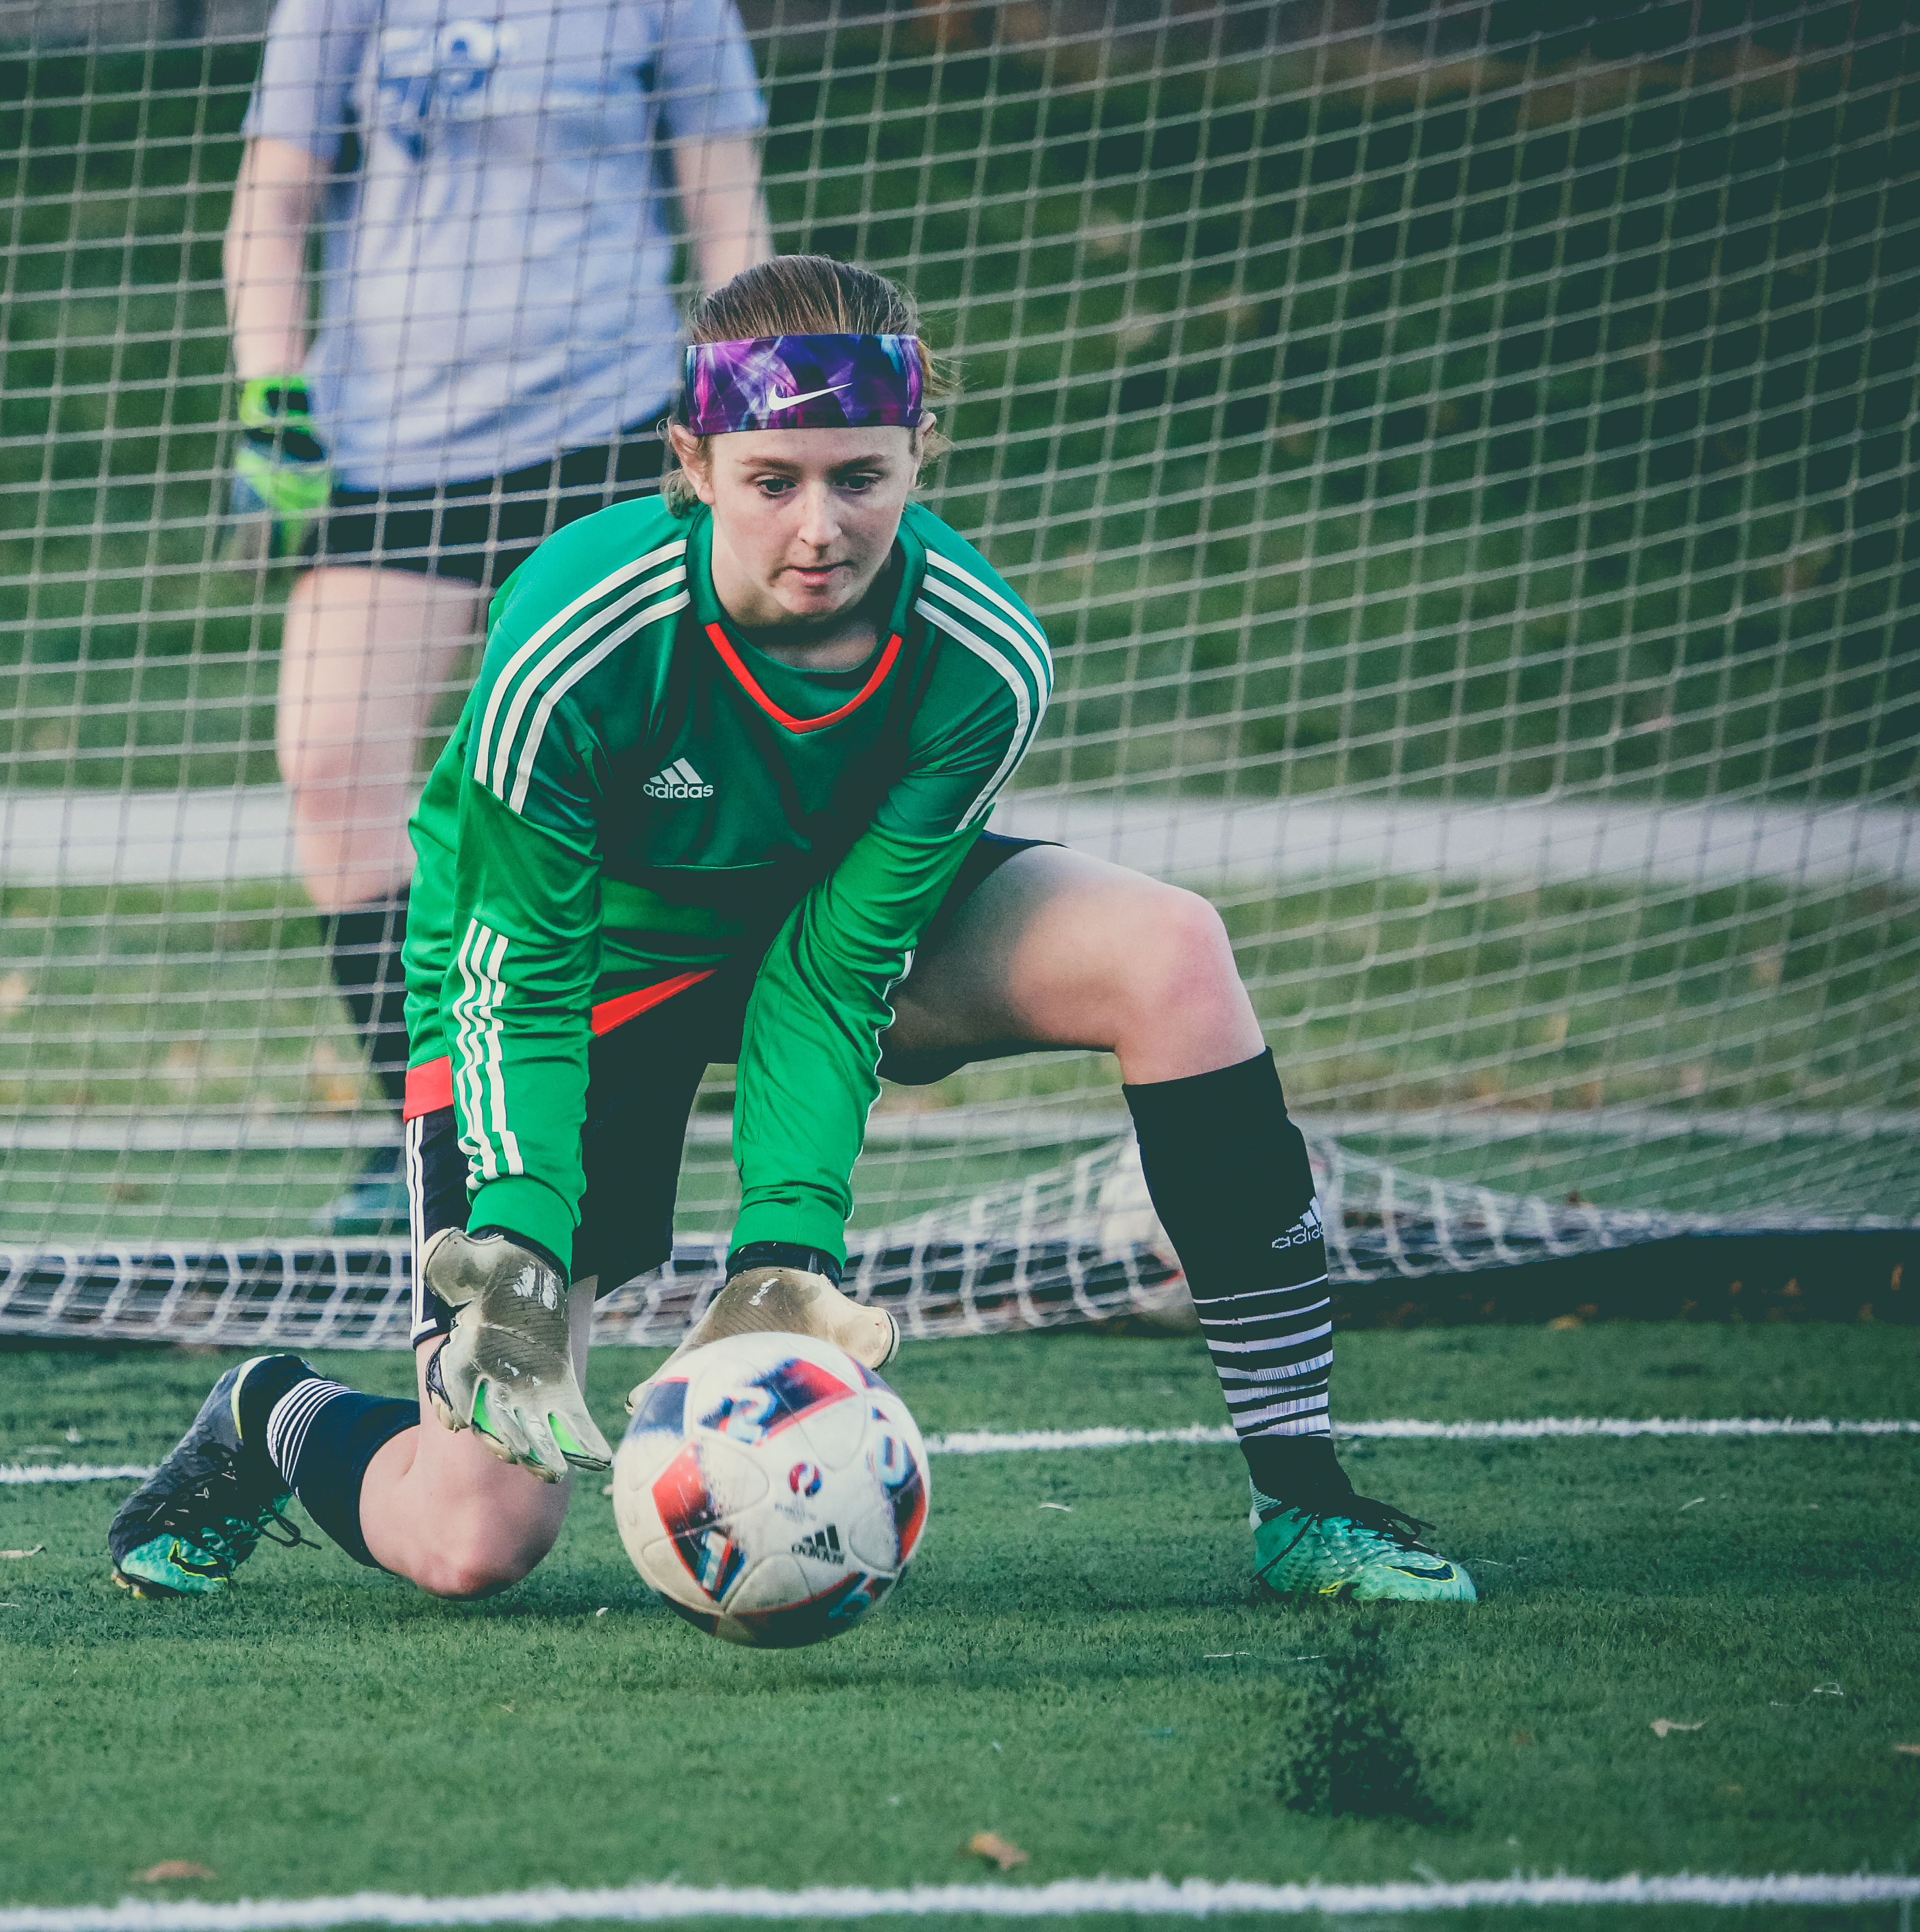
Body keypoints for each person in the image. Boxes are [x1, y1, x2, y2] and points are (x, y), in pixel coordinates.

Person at [117, 256, 1476, 1607]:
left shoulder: (980, 656)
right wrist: (521, 1249)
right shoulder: (574, 634)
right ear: (694, 463)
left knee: (1167, 952)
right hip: (576, 978)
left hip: (810, 941)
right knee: (473, 1540)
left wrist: (784, 1253)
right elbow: (510, 974)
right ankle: (266, 1416)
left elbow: (833, 975)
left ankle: (1307, 1502)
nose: (818, 526)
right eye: (772, 481)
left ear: (916, 459)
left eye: (859, 478)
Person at [224, 0, 775, 1228]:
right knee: (330, 766)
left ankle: (638, 1100)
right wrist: (273, 388)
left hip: (605, 426)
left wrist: (744, 399)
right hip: (389, 445)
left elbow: (723, 202)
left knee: (644, 784)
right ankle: (423, 1130)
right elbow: (272, 197)